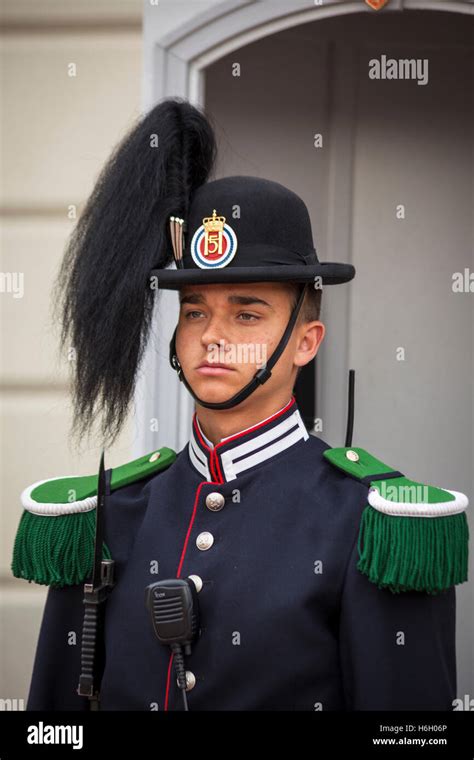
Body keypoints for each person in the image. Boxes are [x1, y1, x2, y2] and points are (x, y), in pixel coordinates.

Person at [11, 98, 469, 712]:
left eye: (246, 312)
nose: (212, 335)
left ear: (306, 342)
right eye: (195, 311)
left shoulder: (374, 526)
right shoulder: (106, 516)